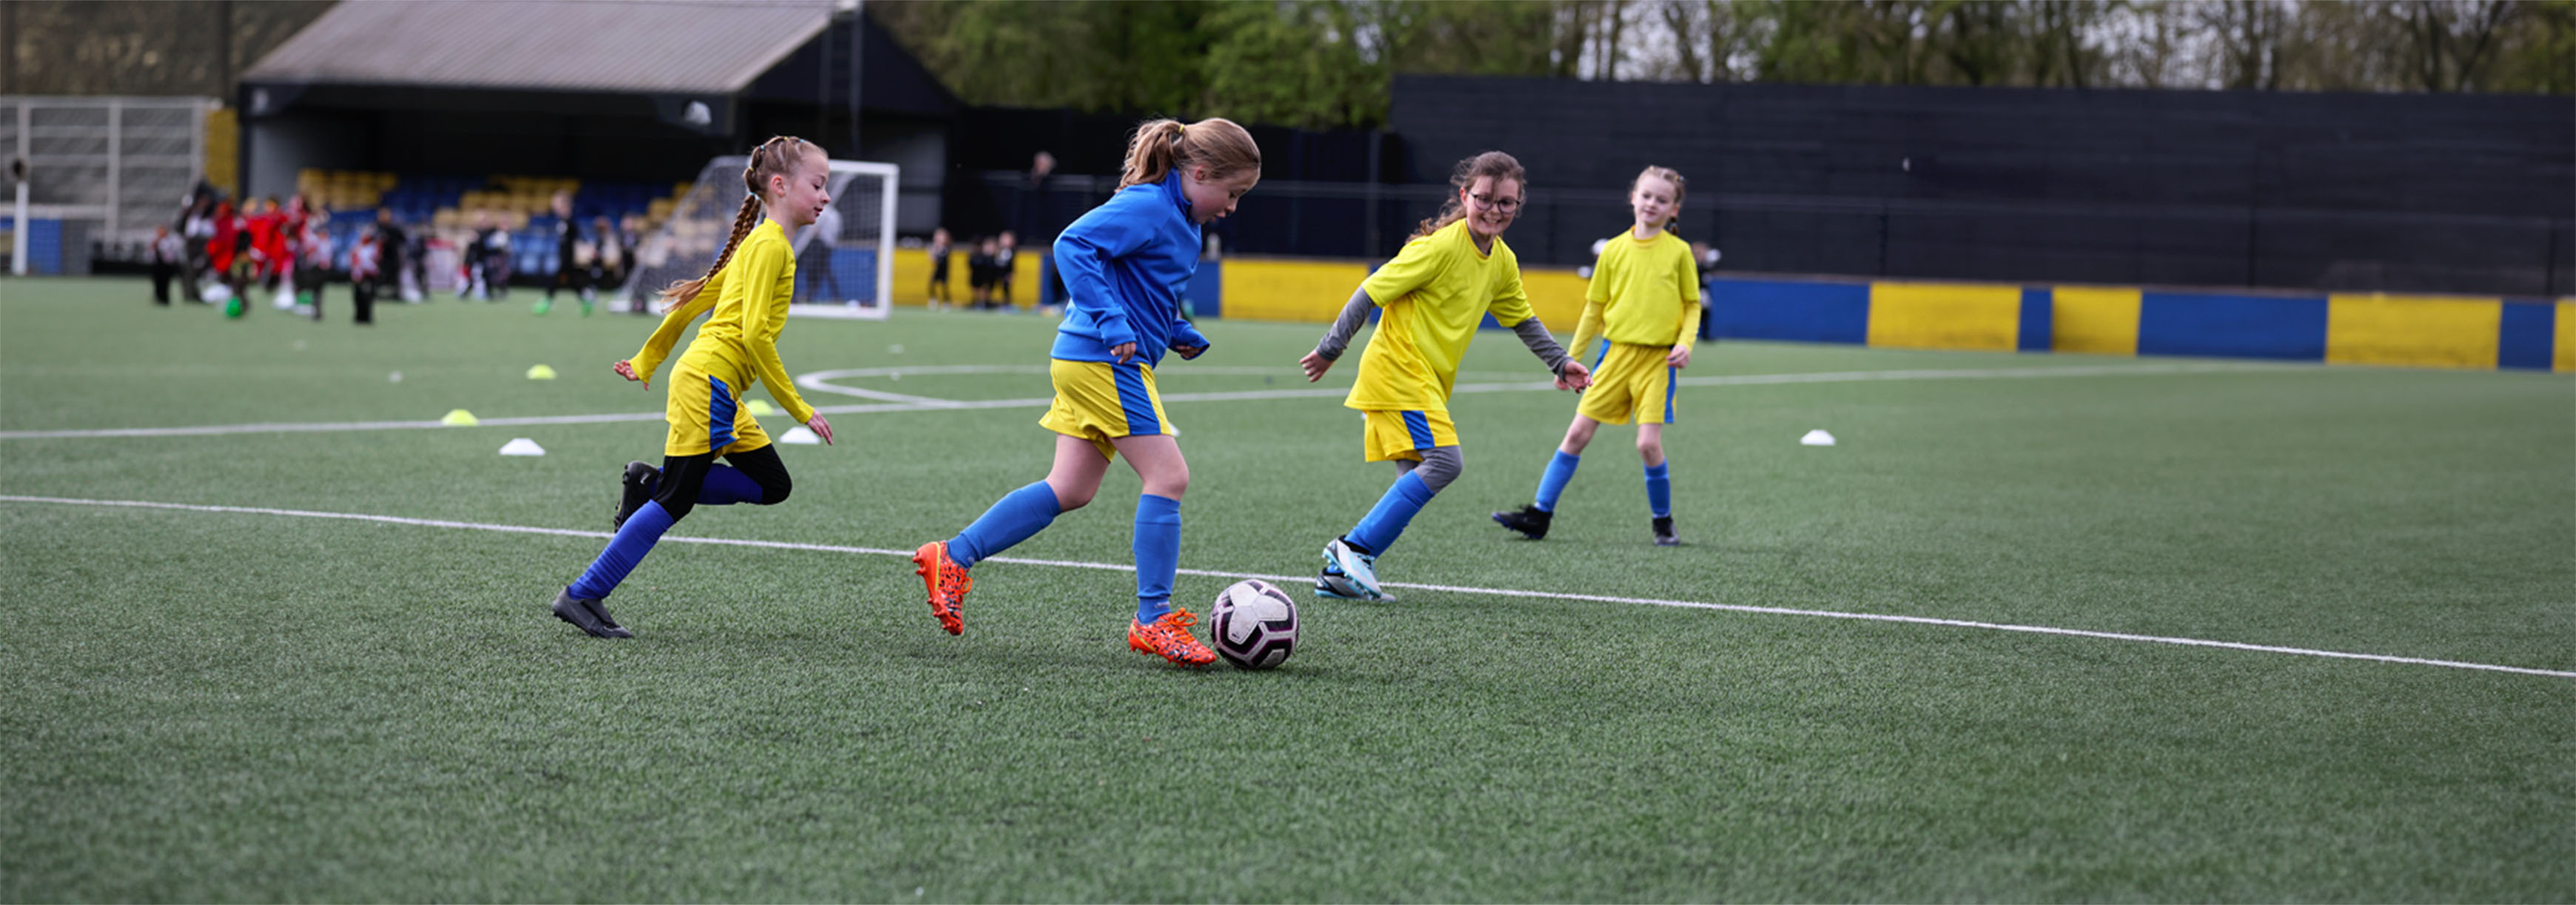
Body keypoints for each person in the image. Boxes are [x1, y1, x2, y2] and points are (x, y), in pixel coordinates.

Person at [909, 117, 1261, 668]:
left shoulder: (1184, 219)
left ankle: (952, 557)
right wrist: (1113, 322)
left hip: (1091, 359)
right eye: (1232, 193)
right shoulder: (1149, 205)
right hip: (1103, 360)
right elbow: (1072, 245)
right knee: (1169, 476)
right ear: (1198, 172)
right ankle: (1153, 619)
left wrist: (1176, 331)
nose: (1233, 207)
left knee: (1070, 488)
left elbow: (1145, 286)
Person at [548, 135, 839, 639]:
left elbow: (695, 298)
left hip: (717, 386)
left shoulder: (764, 244)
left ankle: (649, 483)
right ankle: (583, 594)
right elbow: (753, 335)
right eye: (817, 184)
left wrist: (649, 359)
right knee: (677, 498)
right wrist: (799, 408)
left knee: (773, 485)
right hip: (710, 383)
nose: (825, 196)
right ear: (780, 185)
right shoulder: (770, 247)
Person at [1296, 150, 1590, 601]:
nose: (1494, 210)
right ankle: (1352, 548)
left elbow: (1523, 319)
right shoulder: (1438, 248)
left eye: (1506, 203)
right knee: (1445, 462)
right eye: (1484, 198)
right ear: (1464, 196)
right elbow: (1369, 291)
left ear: (1518, 205)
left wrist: (1559, 361)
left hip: (1427, 380)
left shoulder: (1502, 261)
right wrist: (1331, 348)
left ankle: (1340, 577)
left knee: (1414, 472)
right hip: (1399, 370)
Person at [1494, 166, 1700, 547]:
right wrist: (1566, 360)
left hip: (1657, 362)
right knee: (1576, 434)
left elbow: (1691, 305)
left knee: (1647, 445)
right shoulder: (1614, 251)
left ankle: (1663, 522)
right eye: (1647, 195)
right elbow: (1593, 311)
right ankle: (1540, 514)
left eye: (1662, 199)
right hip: (1615, 357)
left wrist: (1686, 342)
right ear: (1633, 198)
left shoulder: (1679, 253)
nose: (1652, 203)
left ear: (1674, 210)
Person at [537, 190, 588, 315]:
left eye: (557, 203)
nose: (554, 206)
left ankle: (546, 302)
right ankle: (587, 302)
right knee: (572, 282)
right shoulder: (561, 221)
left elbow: (579, 238)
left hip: (567, 258)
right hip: (563, 257)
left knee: (556, 280)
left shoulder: (570, 222)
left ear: (565, 206)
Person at [797, 198, 844, 304]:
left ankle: (805, 295)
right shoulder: (835, 214)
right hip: (829, 246)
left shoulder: (821, 213)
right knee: (825, 270)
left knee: (811, 269)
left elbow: (814, 230)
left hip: (817, 244)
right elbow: (839, 231)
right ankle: (835, 296)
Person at [348, 225, 380, 325]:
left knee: (368, 297)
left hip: (369, 276)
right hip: (359, 276)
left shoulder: (373, 248)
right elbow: (354, 262)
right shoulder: (357, 247)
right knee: (358, 297)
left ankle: (367, 317)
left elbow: (375, 261)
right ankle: (359, 317)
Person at [148, 225, 183, 305]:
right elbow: (151, 253)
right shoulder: (155, 241)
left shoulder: (169, 241)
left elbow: (171, 253)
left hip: (167, 265)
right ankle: (158, 297)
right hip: (157, 265)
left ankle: (165, 298)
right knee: (157, 282)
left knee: (166, 282)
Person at [926, 227, 955, 307]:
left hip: (944, 270)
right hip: (937, 270)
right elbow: (932, 260)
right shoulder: (934, 247)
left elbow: (942, 257)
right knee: (931, 285)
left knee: (944, 287)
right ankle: (933, 299)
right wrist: (932, 252)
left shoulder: (947, 248)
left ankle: (946, 301)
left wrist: (936, 251)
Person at [993, 230, 1019, 310]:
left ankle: (1005, 304)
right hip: (996, 271)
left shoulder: (1012, 251)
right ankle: (986, 302)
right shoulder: (998, 250)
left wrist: (1011, 273)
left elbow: (1012, 265)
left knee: (1006, 288)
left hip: (1006, 273)